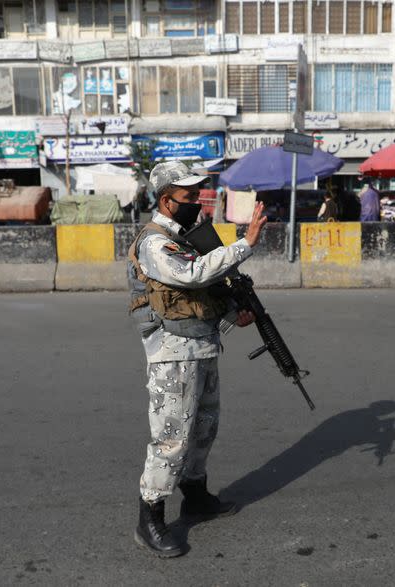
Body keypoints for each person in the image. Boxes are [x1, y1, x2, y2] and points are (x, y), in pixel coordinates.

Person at [126, 160, 267, 558]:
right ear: (167, 201)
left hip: (201, 348)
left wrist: (230, 314)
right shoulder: (155, 242)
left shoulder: (186, 237)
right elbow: (191, 275)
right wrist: (245, 244)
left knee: (204, 428)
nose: (198, 202)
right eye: (189, 197)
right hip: (172, 356)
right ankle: (149, 518)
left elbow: (199, 294)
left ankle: (196, 495)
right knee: (171, 439)